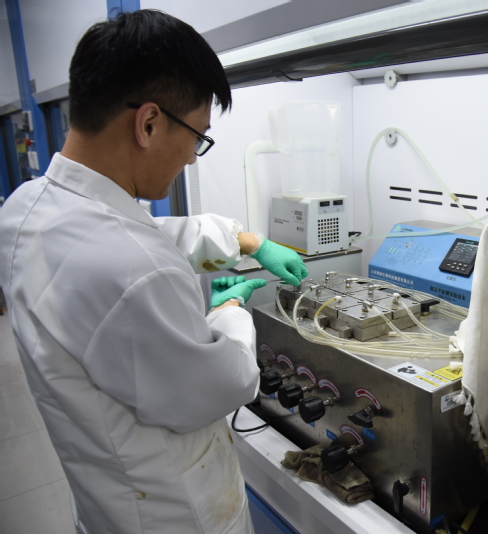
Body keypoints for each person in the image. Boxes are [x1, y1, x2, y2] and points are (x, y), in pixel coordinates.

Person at [0, 10, 307, 534]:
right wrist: (231, 312)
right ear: (148, 123)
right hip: (172, 514)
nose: (192, 158)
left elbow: (141, 234)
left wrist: (247, 240)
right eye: (198, 137)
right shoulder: (133, 271)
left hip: (104, 497)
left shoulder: (26, 209)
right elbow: (225, 383)